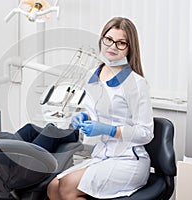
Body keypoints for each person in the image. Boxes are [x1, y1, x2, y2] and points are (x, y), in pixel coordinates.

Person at [47, 17, 154, 199]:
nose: (113, 46)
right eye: (109, 39)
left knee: (67, 187)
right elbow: (96, 112)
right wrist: (84, 117)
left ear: (129, 48)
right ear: (102, 39)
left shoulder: (136, 83)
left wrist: (110, 130)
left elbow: (146, 133)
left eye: (121, 43)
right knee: (52, 188)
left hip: (128, 159)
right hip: (103, 155)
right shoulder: (92, 76)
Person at [0, 96, 79, 153]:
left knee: (29, 128)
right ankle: (74, 134)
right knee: (50, 130)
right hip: (30, 163)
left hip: (16, 151)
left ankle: (63, 134)